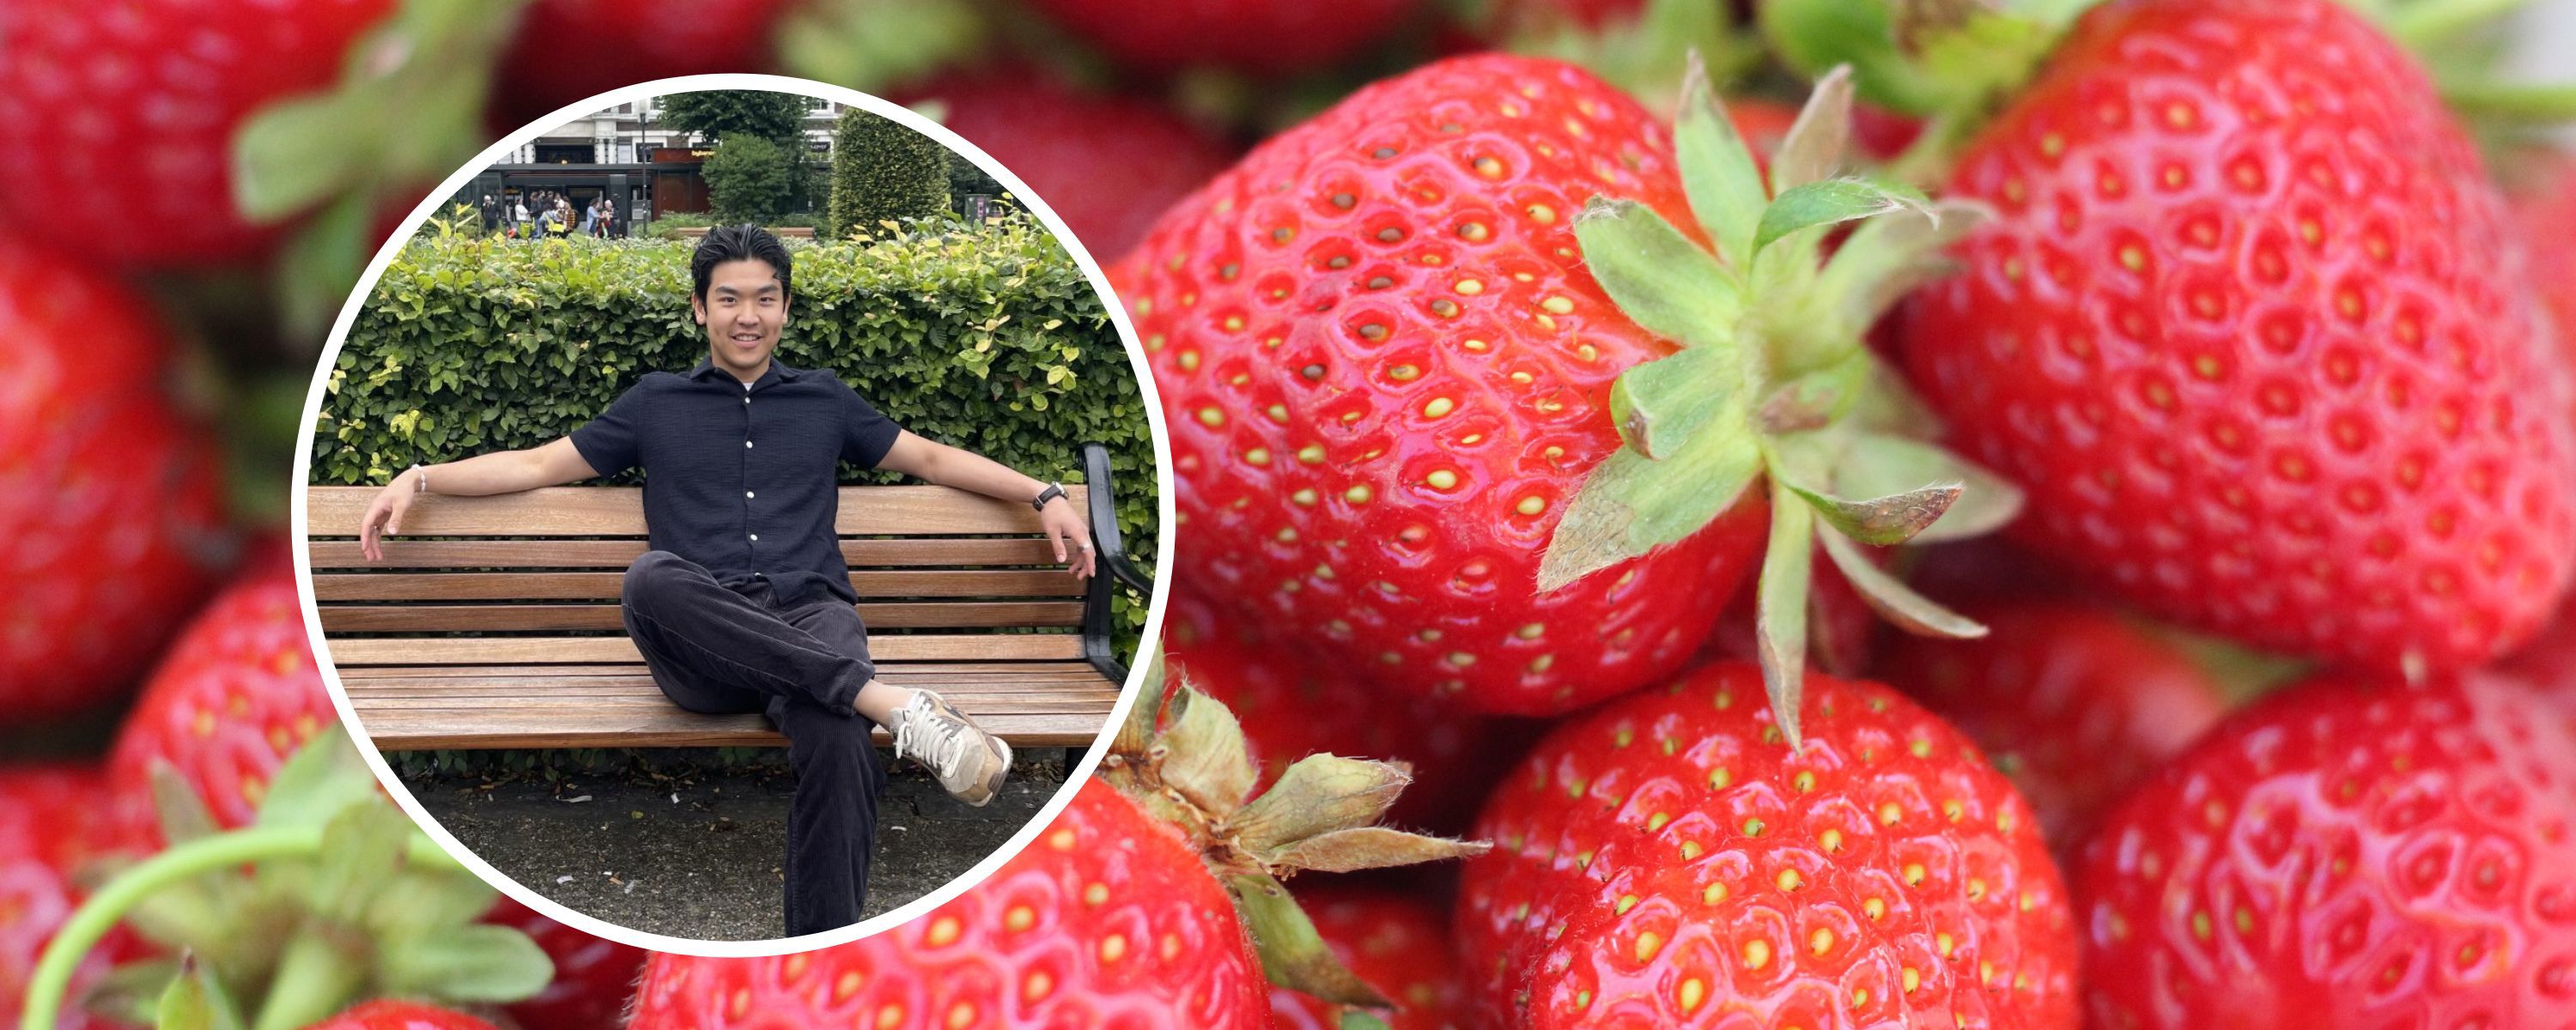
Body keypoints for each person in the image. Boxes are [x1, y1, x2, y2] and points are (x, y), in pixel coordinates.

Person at [354, 225, 1092, 936]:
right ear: (701, 308)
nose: (749, 316)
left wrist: (1045, 494)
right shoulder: (655, 402)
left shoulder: (825, 400)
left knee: (838, 741)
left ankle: (818, 952)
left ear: (785, 308)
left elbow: (928, 459)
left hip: (812, 617)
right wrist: (422, 476)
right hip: (702, 644)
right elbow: (540, 465)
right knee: (651, 579)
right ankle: (888, 705)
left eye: (765, 298)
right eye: (731, 299)